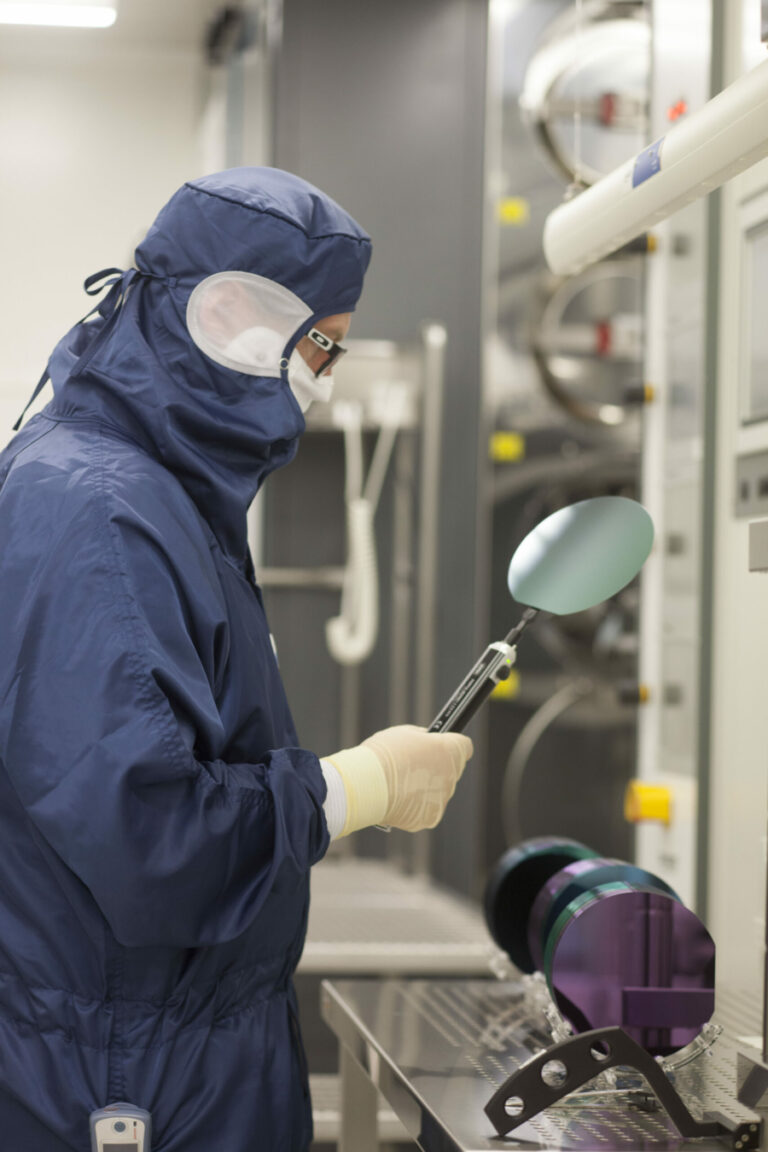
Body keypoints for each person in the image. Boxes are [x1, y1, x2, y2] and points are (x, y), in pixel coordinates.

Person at [0, 167, 473, 1152]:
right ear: (232, 316)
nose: (329, 375)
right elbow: (149, 841)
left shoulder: (162, 497)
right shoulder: (96, 511)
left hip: (172, 1058)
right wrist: (354, 787)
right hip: (123, 1083)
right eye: (326, 345)